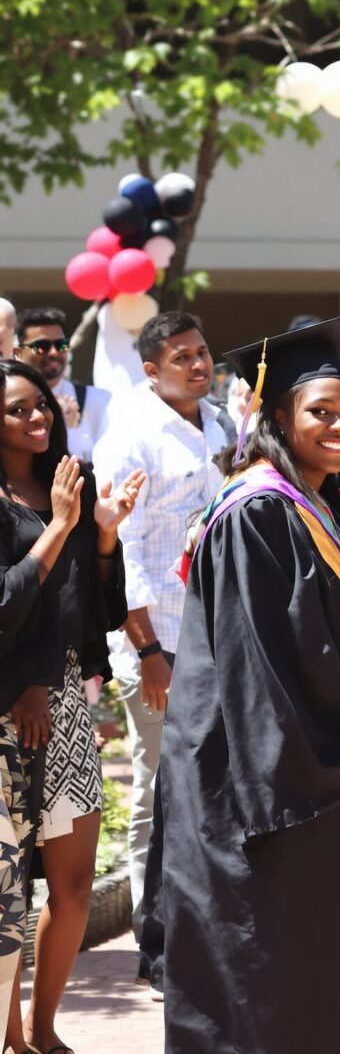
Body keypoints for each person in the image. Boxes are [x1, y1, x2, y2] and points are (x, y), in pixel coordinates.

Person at [155, 316, 340, 1049]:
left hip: (293, 769)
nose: (339, 426)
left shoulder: (306, 501)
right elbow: (264, 665)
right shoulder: (259, 509)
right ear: (277, 415)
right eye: (319, 411)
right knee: (260, 987)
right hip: (253, 784)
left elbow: (305, 644)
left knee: (311, 984)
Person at [89, 310, 230, 990]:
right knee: (160, 785)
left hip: (218, 640)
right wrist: (149, 652)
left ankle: (203, 926)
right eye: (182, 357)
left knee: (207, 785)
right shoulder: (131, 437)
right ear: (151, 368)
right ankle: (157, 940)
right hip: (159, 645)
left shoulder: (221, 424)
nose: (198, 365)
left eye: (202, 353)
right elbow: (128, 555)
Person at [0, 357, 134, 1054]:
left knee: (73, 884)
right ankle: (11, 1035)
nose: (37, 417)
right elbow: (5, 605)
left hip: (66, 704)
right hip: (4, 710)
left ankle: (45, 1028)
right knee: (7, 892)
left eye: (42, 404)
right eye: (19, 408)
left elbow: (94, 616)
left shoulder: (67, 490)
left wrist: (101, 535)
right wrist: (57, 527)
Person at [16, 308, 110, 462]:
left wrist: (71, 430)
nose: (54, 353)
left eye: (61, 345)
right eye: (42, 346)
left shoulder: (98, 400)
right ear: (18, 352)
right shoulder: (7, 403)